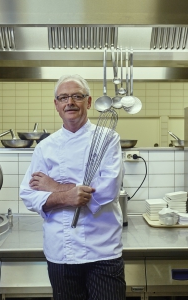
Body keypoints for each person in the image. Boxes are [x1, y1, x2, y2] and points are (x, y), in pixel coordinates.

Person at [19, 74, 126, 300]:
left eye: (77, 96)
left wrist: (54, 186)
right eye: (64, 97)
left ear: (88, 102)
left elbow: (107, 189)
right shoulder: (45, 147)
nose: (70, 102)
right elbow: (29, 194)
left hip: (102, 250)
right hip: (60, 251)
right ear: (56, 105)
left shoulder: (108, 138)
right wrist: (68, 197)